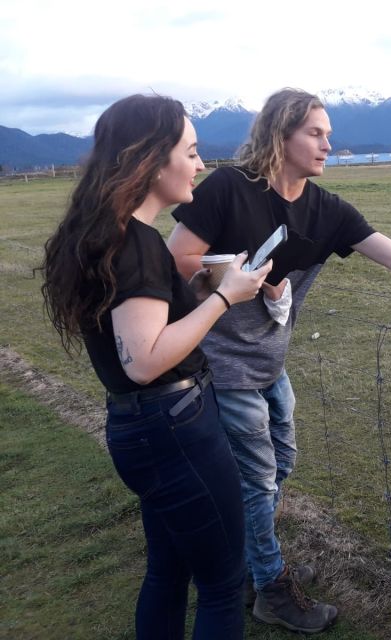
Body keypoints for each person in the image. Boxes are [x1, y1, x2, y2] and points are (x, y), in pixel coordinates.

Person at [167, 87, 391, 634]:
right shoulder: (226, 188)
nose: (327, 145)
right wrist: (238, 280)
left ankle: (247, 563)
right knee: (258, 483)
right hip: (222, 364)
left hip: (271, 364)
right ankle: (270, 588)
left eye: (329, 135)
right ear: (280, 135)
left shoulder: (327, 211)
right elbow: (179, 257)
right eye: (316, 133)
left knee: (279, 468)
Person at [40, 94, 272, 639]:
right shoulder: (137, 242)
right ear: (151, 159)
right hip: (175, 428)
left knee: (169, 570)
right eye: (190, 153)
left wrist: (191, 290)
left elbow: (137, 324)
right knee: (221, 582)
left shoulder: (107, 233)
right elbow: (143, 360)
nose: (200, 165)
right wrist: (225, 299)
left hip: (142, 428)